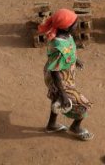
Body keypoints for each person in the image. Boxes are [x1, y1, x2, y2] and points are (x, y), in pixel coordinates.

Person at [38, 8, 93, 141]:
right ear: (67, 27)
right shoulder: (58, 47)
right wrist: (62, 92)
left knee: (56, 99)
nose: (77, 24)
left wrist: (75, 59)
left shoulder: (66, 36)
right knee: (83, 104)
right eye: (75, 23)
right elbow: (55, 71)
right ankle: (75, 127)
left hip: (65, 74)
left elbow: (69, 50)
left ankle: (52, 125)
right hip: (59, 80)